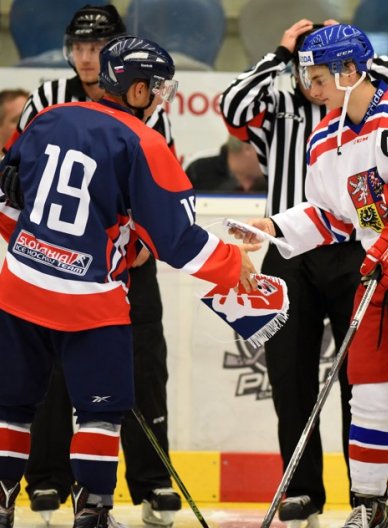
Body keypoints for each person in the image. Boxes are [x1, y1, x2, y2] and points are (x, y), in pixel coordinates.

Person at [228, 23, 388, 528]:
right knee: (369, 393)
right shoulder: (324, 139)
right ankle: (367, 504)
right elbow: (333, 217)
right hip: (385, 275)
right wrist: (272, 226)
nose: (309, 83)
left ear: (351, 69)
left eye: (319, 72)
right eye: (305, 73)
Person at [0, 35, 258, 528]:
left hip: (19, 289)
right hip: (90, 303)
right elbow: (176, 239)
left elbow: (6, 197)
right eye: (157, 87)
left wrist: (39, 249)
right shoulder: (145, 142)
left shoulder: (48, 118)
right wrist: (231, 263)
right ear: (136, 90)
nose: (161, 96)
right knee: (100, 411)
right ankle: (95, 510)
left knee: (11, 405)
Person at [5, 5, 182, 526]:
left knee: (141, 366)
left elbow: (156, 189)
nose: (86, 56)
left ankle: (150, 481)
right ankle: (49, 480)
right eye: (79, 46)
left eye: (97, 45)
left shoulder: (152, 107)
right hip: (66, 261)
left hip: (120, 260)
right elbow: (15, 177)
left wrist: (130, 252)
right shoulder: (45, 99)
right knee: (53, 376)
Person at [184, 135, 267, 193]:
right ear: (248, 147)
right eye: (265, 149)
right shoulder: (197, 169)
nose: (270, 156)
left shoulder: (273, 176)